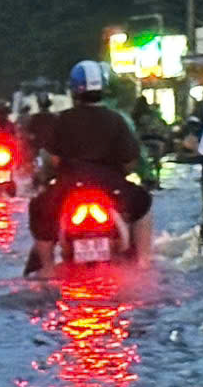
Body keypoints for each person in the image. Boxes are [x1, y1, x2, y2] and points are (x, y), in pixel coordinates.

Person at [26, 60, 151, 272]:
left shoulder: (62, 120)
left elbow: (52, 160)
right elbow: (130, 160)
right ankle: (143, 263)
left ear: (74, 90)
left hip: (68, 187)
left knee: (38, 209)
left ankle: (47, 270)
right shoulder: (116, 120)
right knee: (144, 203)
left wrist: (48, 177)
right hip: (111, 186)